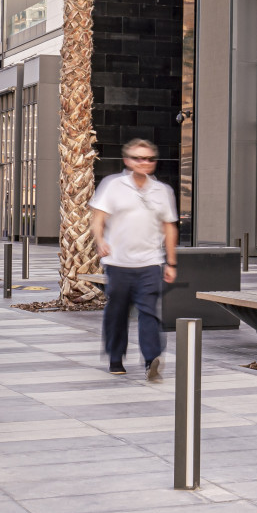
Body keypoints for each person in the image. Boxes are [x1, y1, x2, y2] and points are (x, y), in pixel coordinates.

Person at [90, 139, 178, 381]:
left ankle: (152, 359)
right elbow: (98, 218)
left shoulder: (162, 191)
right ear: (128, 161)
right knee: (117, 311)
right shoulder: (113, 185)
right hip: (118, 262)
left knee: (149, 311)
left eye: (149, 158)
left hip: (150, 262)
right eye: (139, 158)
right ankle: (115, 357)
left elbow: (169, 228)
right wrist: (100, 241)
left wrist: (171, 262)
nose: (144, 163)